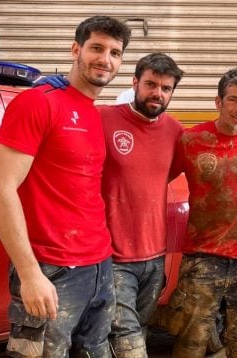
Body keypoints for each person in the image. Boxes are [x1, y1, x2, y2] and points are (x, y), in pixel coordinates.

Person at [0, 16, 130, 357]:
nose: (105, 59)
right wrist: (29, 273)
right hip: (51, 270)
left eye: (115, 52)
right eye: (96, 48)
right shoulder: (39, 102)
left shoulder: (95, 113)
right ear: (76, 49)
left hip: (99, 266)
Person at [167, 67, 237, 357]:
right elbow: (156, 180)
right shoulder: (191, 139)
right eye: (233, 100)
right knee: (191, 343)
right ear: (218, 102)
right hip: (201, 259)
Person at [98, 53, 184, 357]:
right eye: (150, 84)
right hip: (114, 256)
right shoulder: (104, 119)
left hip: (155, 258)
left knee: (139, 330)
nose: (157, 93)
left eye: (165, 88)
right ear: (135, 82)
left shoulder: (174, 131)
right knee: (127, 338)